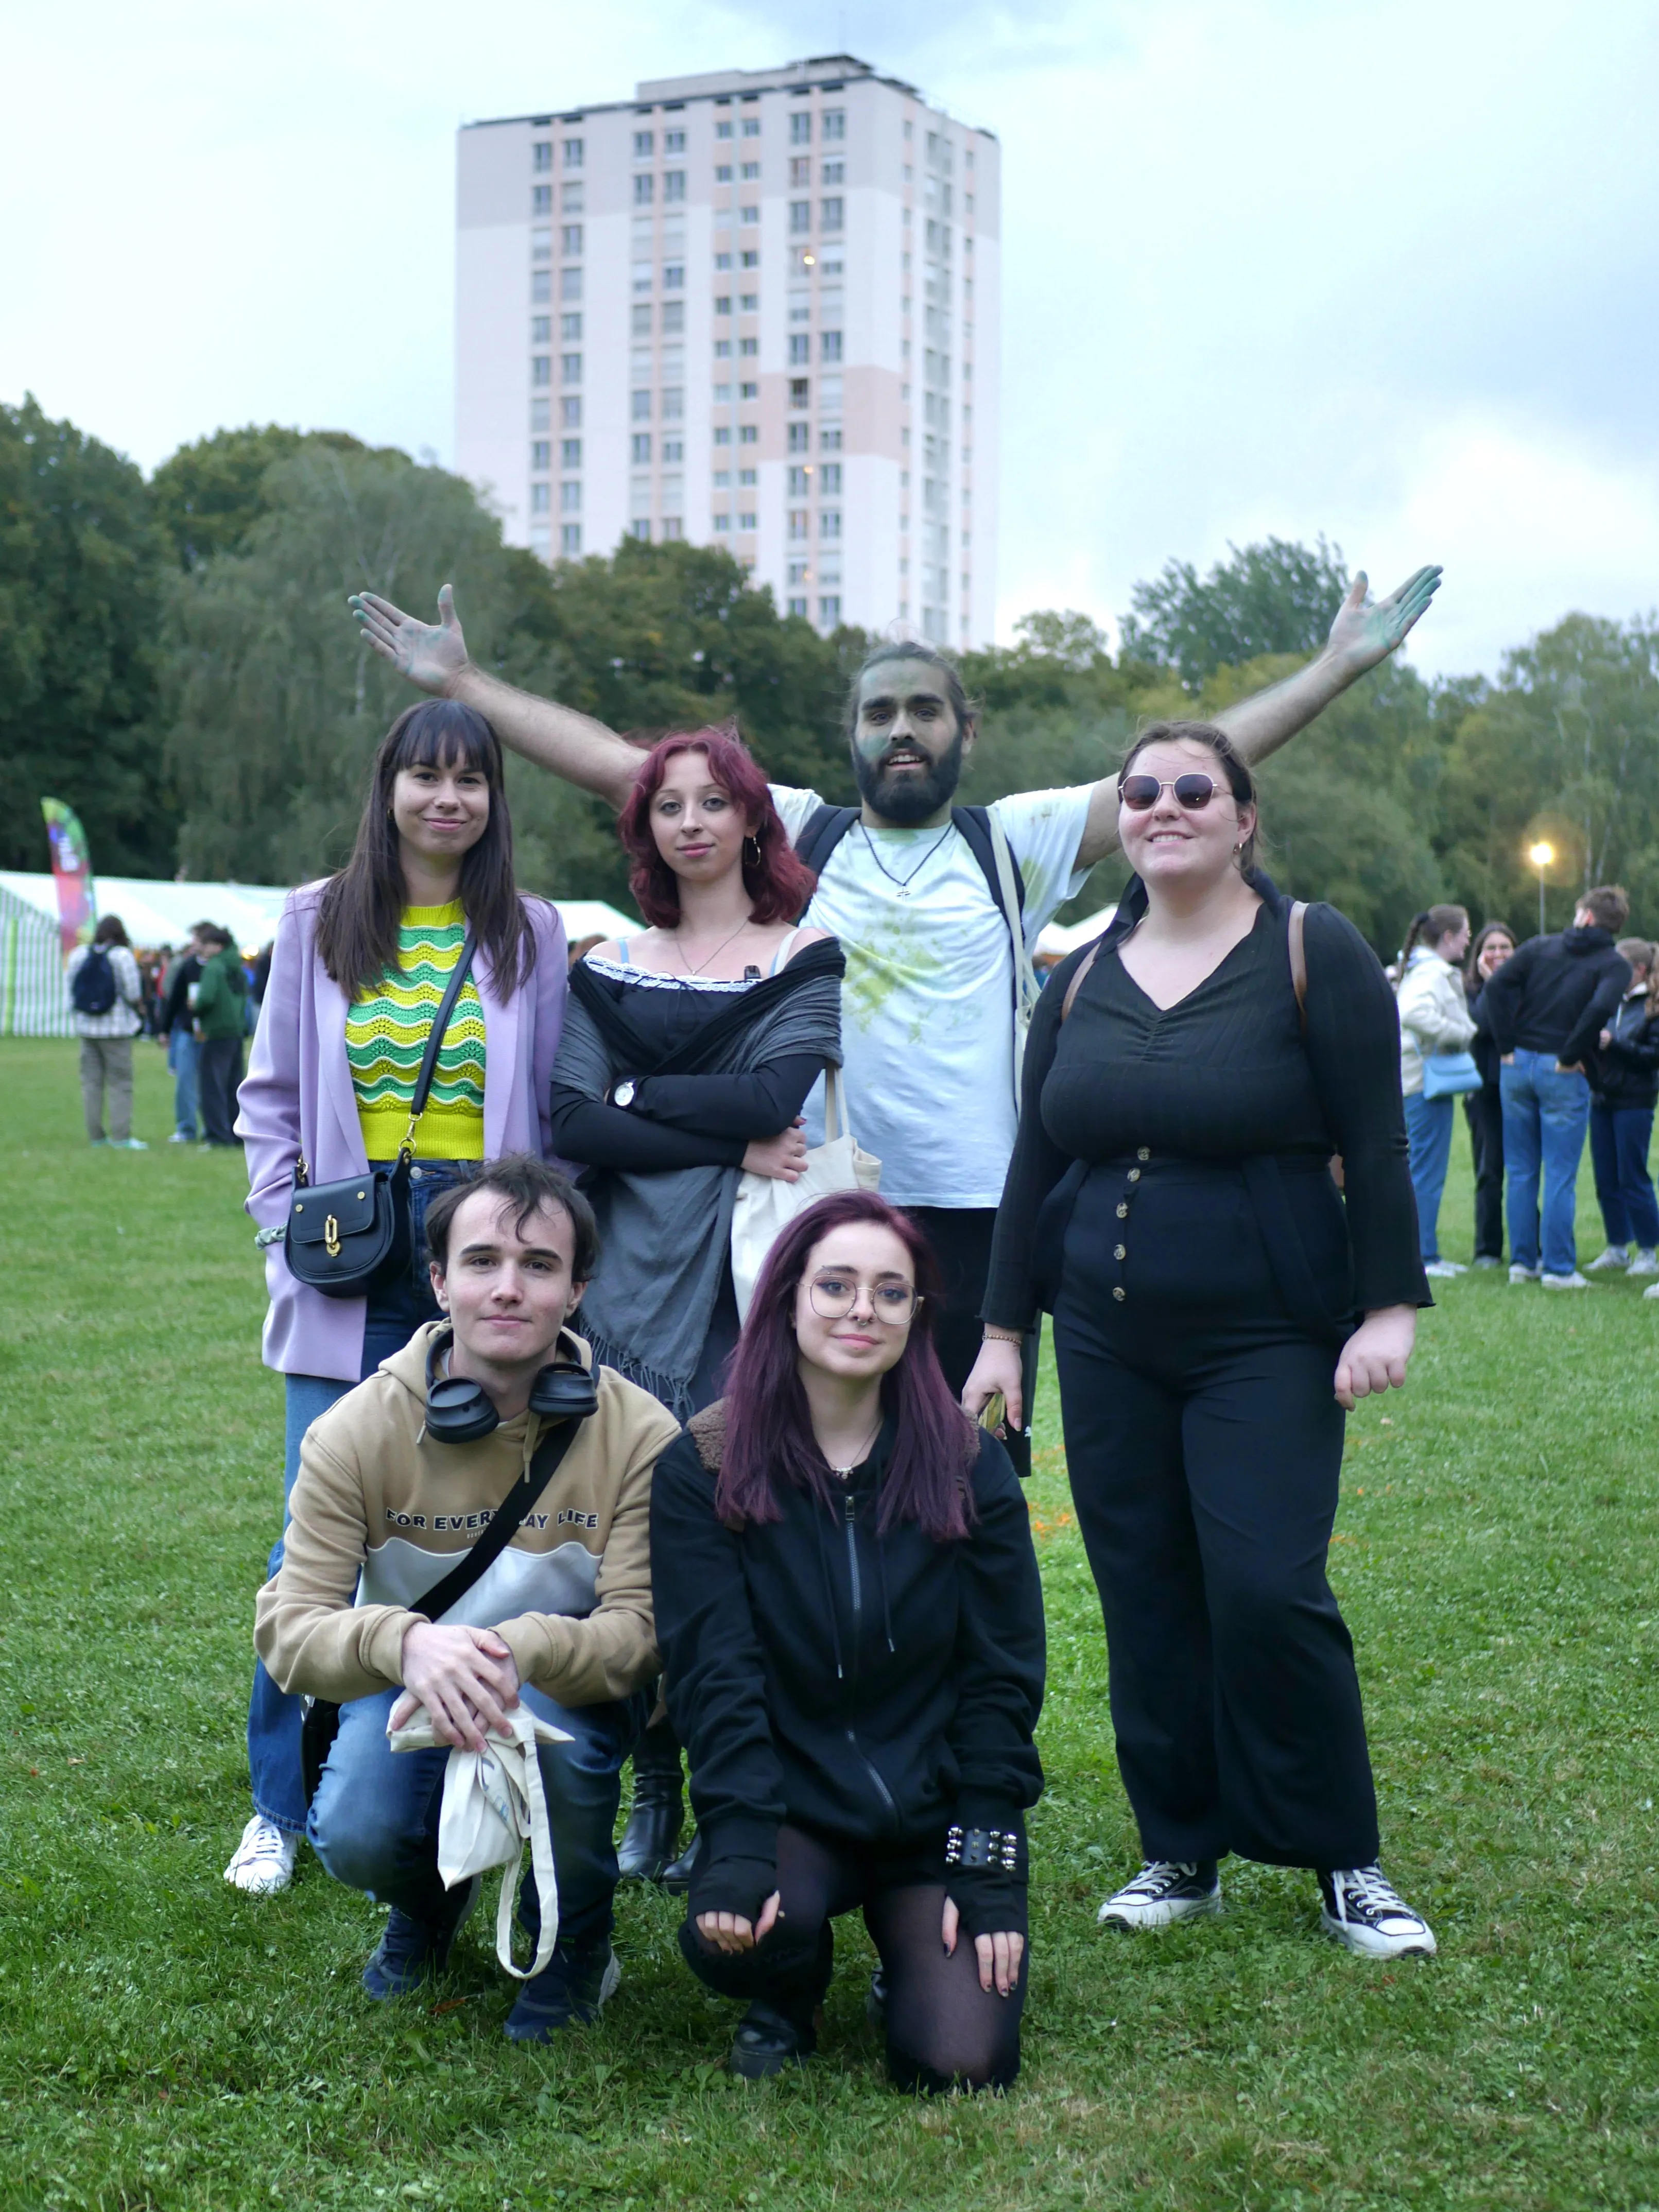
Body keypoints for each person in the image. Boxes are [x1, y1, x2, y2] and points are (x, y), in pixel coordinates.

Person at [349, 561, 1442, 1465]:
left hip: (982, 1213)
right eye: (880, 712)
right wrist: (469, 685)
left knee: (973, 1466)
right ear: (852, 733)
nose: (903, 730)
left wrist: (1334, 669)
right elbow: (626, 772)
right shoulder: (799, 832)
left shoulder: (1012, 841)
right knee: (817, 1458)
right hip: (823, 1201)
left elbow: (1187, 775)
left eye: (925, 710)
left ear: (967, 727)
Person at [965, 721, 1438, 1960]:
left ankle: (1344, 1858)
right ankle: (1180, 1847)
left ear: (1243, 818)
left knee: (1267, 1587)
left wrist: (1387, 1306)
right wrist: (1004, 1331)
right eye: (1140, 791)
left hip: (1267, 1333)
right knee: (1144, 1589)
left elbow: (1375, 1136)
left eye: (1192, 788)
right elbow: (1034, 1161)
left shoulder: (1311, 948)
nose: (1162, 806)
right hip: (1105, 1340)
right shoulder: (1079, 974)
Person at [229, 698, 568, 1898]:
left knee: (465, 1519)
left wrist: (534, 1251)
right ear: (388, 789)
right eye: (425, 776)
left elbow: (554, 1102)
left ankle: (436, 1762)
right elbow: (269, 1098)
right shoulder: (317, 920)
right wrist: (285, 1230)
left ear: (493, 799)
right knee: (313, 1535)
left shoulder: (530, 930)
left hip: (482, 1255)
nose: (446, 798)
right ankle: (277, 1803)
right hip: (349, 1253)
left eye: (469, 778)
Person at [254, 1156, 681, 2036]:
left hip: (562, 1683)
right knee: (357, 1832)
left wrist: (519, 1651)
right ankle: (428, 1901)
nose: (508, 1288)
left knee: (562, 1752)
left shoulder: (640, 1433)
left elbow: (643, 1633)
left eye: (539, 1265)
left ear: (577, 1290)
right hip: (408, 1682)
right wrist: (405, 1645)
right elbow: (289, 1629)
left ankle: (576, 1942)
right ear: (440, 1281)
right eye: (482, 1261)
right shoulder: (354, 1430)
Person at [650, 1191, 1044, 2088]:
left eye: (890, 1292)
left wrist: (987, 1849)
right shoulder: (704, 1463)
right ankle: (793, 1989)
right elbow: (714, 1671)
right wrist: (737, 1837)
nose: (862, 1309)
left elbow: (1002, 1670)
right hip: (790, 1806)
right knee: (742, 1935)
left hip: (932, 1810)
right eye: (835, 1286)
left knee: (960, 2062)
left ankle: (906, 1966)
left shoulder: (965, 1461)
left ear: (916, 1315)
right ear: (786, 1298)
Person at [547, 725, 841, 1884]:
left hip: (744, 1293)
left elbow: (778, 1096)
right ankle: (651, 1788)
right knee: (616, 1548)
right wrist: (718, 1134)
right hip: (621, 1295)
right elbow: (574, 1121)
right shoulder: (608, 961)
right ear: (644, 829)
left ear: (753, 819)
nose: (691, 823)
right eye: (668, 805)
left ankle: (732, 1792)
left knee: (732, 1545)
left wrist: (639, 1096)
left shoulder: (803, 953)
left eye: (714, 802)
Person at [1478, 886, 1633, 1290]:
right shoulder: (1614, 965)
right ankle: (1559, 1269)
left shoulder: (1539, 947)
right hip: (1562, 1071)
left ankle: (1523, 1263)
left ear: (1586, 916)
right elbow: (1599, 1009)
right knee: (1560, 1173)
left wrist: (1507, 1046)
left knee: (1521, 1170)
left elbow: (1495, 986)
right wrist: (1569, 1054)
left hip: (1517, 1066)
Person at [1394, 905, 1475, 1279]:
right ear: (1448, 937)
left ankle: (1423, 1252)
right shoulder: (1432, 973)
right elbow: (1412, 1014)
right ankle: (1423, 1257)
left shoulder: (1417, 968)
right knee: (1426, 1172)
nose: (1469, 941)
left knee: (1420, 1170)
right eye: (1466, 934)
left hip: (1415, 1082)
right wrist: (1461, 1033)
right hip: (1425, 1085)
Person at [1585, 938, 1659, 1277]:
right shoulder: (1612, 1002)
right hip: (1602, 1099)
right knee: (1605, 1177)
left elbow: (1652, 1057)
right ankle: (1617, 1247)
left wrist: (1614, 1044)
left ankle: (1649, 1251)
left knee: (1633, 1177)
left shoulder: (1652, 1007)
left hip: (1634, 1102)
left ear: (1639, 970)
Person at [66, 914, 148, 1150]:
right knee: (120, 1084)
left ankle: (96, 1136)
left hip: (87, 1028)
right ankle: (121, 1137)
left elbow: (71, 987)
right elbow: (133, 992)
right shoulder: (122, 956)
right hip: (116, 1029)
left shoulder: (79, 954)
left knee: (91, 1084)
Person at [1463, 922, 1516, 1267]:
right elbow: (1480, 1025)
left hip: (1520, 1087)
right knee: (1489, 1168)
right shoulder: (1470, 990)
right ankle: (1487, 1249)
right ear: (1479, 955)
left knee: (1525, 1169)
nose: (1498, 954)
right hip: (1484, 1090)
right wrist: (1492, 984)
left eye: (1505, 947)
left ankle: (1529, 1248)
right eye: (1491, 948)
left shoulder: (1525, 987)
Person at [194, 925, 249, 1147]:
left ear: (218, 947)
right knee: (234, 1086)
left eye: (207, 945)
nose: (203, 949)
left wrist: (195, 1007)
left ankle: (217, 1136)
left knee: (212, 1087)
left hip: (216, 1031)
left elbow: (206, 998)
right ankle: (237, 1134)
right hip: (236, 1032)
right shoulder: (237, 966)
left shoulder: (215, 967)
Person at [158, 928, 209, 1142]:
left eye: (196, 939)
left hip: (212, 1034)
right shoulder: (188, 966)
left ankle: (213, 1129)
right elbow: (175, 999)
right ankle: (186, 1129)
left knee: (210, 1084)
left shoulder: (220, 967)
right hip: (188, 1032)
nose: (193, 943)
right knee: (185, 1082)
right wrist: (164, 1029)